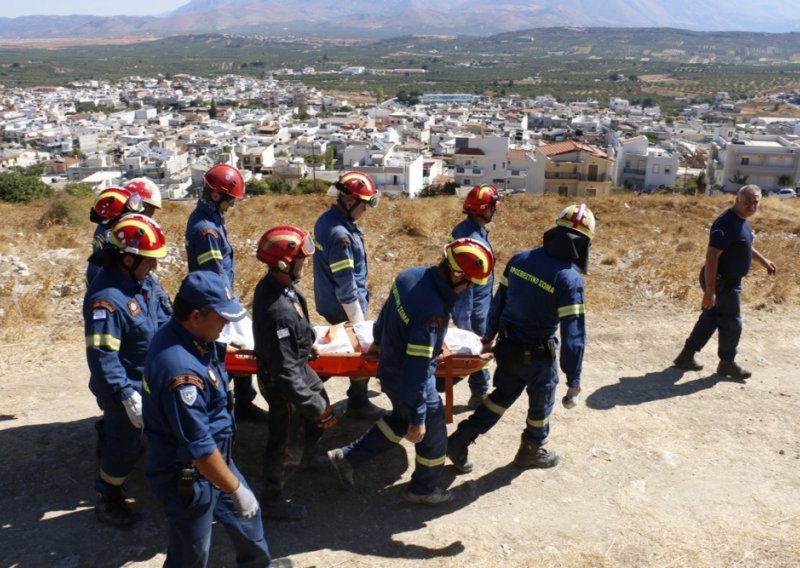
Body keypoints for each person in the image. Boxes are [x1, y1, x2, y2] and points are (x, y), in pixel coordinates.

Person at [142, 271, 293, 568]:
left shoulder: (190, 337)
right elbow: (196, 447)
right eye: (221, 319)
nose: (225, 326)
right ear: (196, 316)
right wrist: (234, 488)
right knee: (192, 550)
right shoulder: (180, 373)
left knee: (248, 518)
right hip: (190, 473)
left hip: (215, 457)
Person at [327, 238, 494, 505]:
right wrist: (419, 416)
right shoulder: (433, 314)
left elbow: (385, 316)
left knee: (399, 421)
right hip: (410, 379)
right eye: (470, 282)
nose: (469, 289)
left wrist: (380, 341)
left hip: (390, 368)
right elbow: (417, 369)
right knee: (434, 434)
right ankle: (424, 490)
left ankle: (347, 458)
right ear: (455, 274)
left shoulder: (411, 275)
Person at [447, 204, 596, 473]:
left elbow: (498, 301)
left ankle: (460, 439)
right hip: (539, 357)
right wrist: (573, 379)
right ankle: (531, 449)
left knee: (500, 396)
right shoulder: (569, 279)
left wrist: (489, 336)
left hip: (508, 347)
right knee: (542, 402)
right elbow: (574, 334)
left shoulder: (520, 259)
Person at [83, 214, 171, 527]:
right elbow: (103, 355)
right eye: (149, 260)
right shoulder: (106, 301)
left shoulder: (141, 282)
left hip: (148, 379)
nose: (155, 267)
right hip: (124, 387)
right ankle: (108, 497)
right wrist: (123, 394)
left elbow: (162, 317)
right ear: (128, 258)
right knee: (124, 445)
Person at [252, 225, 335, 522]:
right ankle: (273, 499)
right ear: (284, 263)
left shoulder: (284, 287)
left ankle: (306, 454)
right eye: (301, 258)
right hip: (285, 384)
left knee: (324, 416)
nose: (306, 262)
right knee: (283, 440)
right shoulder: (278, 311)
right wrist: (310, 406)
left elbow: (299, 323)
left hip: (298, 367)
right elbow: (285, 373)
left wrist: (308, 340)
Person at [185, 162, 267, 422]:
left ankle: (243, 402)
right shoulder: (206, 229)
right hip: (214, 303)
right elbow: (214, 275)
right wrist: (228, 310)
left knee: (236, 348)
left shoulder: (211, 218)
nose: (232, 205)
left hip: (220, 299)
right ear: (216, 195)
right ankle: (223, 408)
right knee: (225, 355)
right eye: (230, 200)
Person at [673, 184, 776, 379]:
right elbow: (712, 257)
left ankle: (686, 356)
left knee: (711, 317)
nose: (752, 205)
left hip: (727, 282)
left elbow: (745, 246)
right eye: (747, 200)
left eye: (756, 202)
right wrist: (710, 290)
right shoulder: (726, 223)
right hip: (722, 283)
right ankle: (727, 363)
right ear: (737, 199)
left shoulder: (743, 221)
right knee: (732, 322)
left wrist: (764, 261)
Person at [313, 170, 387, 420]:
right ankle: (355, 401)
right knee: (351, 355)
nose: (365, 211)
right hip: (343, 306)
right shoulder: (341, 236)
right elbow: (345, 287)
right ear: (349, 201)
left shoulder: (327, 220)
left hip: (328, 300)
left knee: (338, 353)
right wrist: (358, 324)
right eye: (363, 205)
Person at [450, 184, 499, 409]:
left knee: (477, 350)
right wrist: (467, 321)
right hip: (474, 308)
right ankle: (479, 393)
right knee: (477, 351)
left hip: (476, 305)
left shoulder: (466, 230)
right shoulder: (472, 238)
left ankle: (478, 389)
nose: (494, 211)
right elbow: (465, 283)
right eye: (492, 207)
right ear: (484, 210)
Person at [86, 186, 144, 285]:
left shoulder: (107, 231)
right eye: (130, 216)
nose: (135, 220)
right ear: (115, 219)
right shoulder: (111, 239)